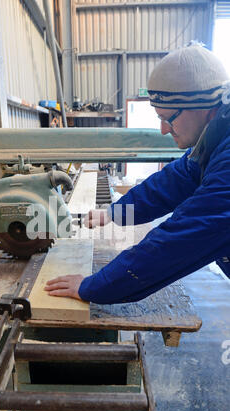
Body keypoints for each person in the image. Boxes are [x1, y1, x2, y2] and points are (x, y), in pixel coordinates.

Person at [44, 43, 230, 307]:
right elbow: (173, 182)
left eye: (168, 117)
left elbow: (178, 241)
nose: (164, 130)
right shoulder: (215, 139)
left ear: (201, 105)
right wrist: (113, 212)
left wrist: (92, 286)